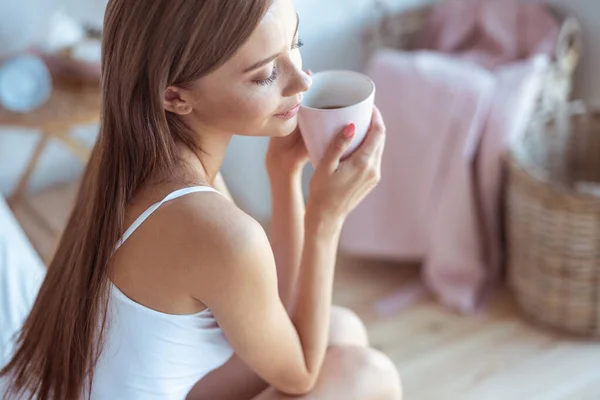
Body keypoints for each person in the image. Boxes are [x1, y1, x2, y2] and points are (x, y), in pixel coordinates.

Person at [1, 0, 401, 399]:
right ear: (175, 97)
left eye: (296, 43)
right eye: (265, 74)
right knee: (366, 374)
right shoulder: (210, 228)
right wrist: (324, 220)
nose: (301, 81)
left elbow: (271, 308)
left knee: (340, 328)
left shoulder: (131, 159)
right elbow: (300, 376)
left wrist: (284, 174)